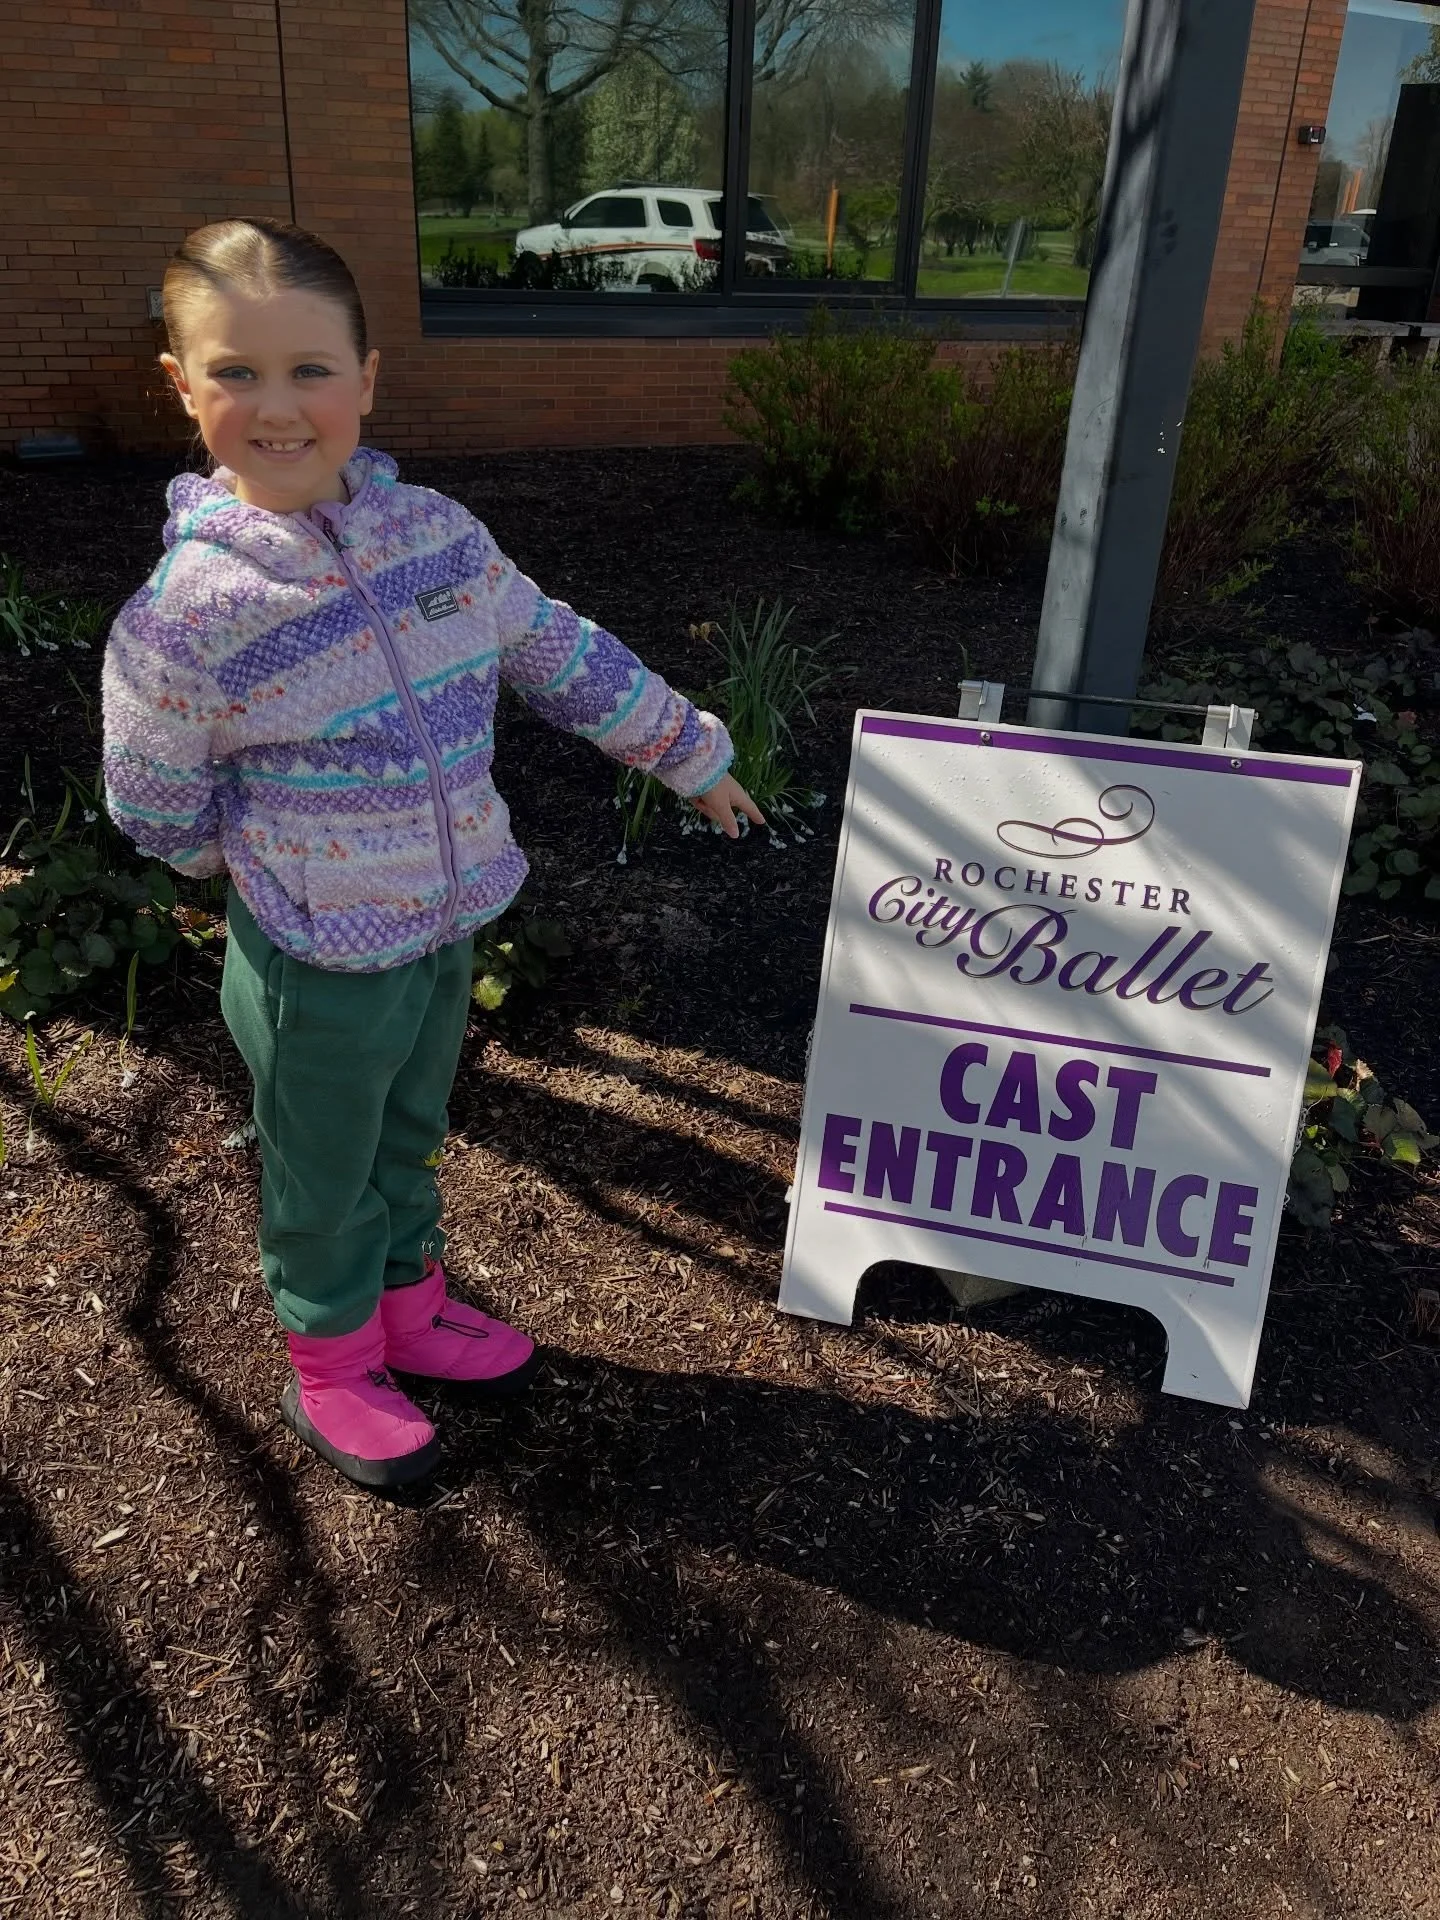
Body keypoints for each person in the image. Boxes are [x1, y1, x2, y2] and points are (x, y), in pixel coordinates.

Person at [102, 217, 763, 1491]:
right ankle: (334, 1361)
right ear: (183, 386)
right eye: (236, 371)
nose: (278, 405)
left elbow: (551, 646)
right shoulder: (190, 615)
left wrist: (682, 747)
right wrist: (235, 868)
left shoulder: (438, 538)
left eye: (310, 369)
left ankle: (409, 1306)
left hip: (444, 919)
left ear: (366, 378)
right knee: (323, 1171)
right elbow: (151, 790)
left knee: (409, 1132)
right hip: (314, 958)